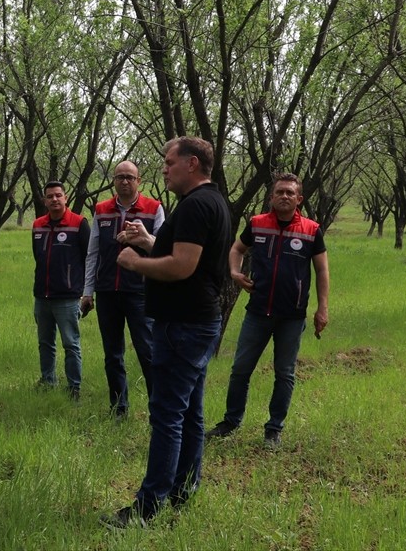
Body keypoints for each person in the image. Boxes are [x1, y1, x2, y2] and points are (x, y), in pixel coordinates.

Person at [101, 137, 231, 528]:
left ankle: (147, 507)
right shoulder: (212, 201)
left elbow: (182, 266)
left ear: (192, 164)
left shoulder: (194, 205)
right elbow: (189, 254)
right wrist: (147, 241)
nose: (164, 169)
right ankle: (183, 489)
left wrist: (134, 261)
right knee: (190, 412)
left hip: (183, 324)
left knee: (167, 415)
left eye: (169, 162)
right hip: (197, 321)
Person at [205, 172, 330, 449]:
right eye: (279, 192)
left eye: (290, 193)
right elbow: (237, 249)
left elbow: (322, 270)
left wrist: (322, 309)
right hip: (258, 312)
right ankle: (230, 422)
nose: (284, 196)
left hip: (292, 316)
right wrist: (235, 273)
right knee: (240, 369)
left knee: (284, 374)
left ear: (299, 198)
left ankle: (274, 430)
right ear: (271, 197)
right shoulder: (257, 224)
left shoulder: (311, 230)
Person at [81, 160, 165, 418]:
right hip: (107, 292)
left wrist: (142, 239)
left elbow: (163, 248)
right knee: (112, 355)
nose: (125, 181)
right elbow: (92, 253)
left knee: (148, 352)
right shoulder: (102, 210)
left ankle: (159, 410)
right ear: (114, 181)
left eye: (130, 177)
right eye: (120, 177)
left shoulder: (153, 208)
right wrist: (87, 291)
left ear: (139, 181)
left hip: (141, 292)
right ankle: (119, 408)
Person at [31, 181, 91, 398]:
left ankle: (74, 387)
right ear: (44, 200)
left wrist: (86, 291)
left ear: (66, 198)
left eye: (58, 195)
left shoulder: (79, 223)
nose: (54, 199)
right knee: (45, 343)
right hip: (42, 296)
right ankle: (48, 381)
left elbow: (89, 259)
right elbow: (38, 257)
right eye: (50, 196)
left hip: (67, 297)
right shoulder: (38, 225)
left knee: (70, 343)